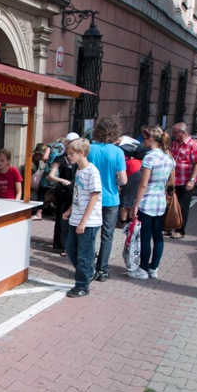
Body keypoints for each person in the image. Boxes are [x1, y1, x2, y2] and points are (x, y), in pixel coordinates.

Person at [128, 126, 176, 280]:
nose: (143, 142)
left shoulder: (149, 158)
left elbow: (143, 184)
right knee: (158, 236)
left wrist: (135, 204)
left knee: (145, 236)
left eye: (145, 138)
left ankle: (142, 269)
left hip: (147, 201)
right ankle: (153, 268)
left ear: (151, 139)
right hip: (160, 201)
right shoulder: (169, 157)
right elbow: (172, 181)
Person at [87, 117, 127, 282]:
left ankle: (88, 269)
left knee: (90, 234)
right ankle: (102, 269)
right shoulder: (117, 152)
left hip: (91, 198)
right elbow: (124, 180)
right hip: (110, 198)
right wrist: (116, 183)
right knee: (107, 236)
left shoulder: (89, 149)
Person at [61, 138, 101, 297]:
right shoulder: (78, 170)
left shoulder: (92, 172)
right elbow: (78, 195)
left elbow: (94, 197)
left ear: (81, 153)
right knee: (71, 249)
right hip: (76, 217)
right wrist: (70, 210)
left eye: (71, 154)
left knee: (84, 254)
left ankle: (82, 285)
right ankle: (89, 272)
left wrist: (84, 221)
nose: (68, 157)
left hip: (88, 221)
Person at [169, 123, 197, 238]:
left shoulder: (193, 145)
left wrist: (192, 180)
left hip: (185, 181)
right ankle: (168, 226)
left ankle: (180, 230)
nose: (173, 135)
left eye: (175, 132)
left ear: (182, 132)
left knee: (182, 207)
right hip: (173, 180)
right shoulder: (174, 144)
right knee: (170, 205)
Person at [48, 132, 80, 253]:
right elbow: (50, 175)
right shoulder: (60, 159)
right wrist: (61, 180)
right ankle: (61, 245)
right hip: (64, 190)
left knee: (74, 217)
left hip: (75, 189)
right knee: (62, 217)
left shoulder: (78, 159)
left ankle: (71, 243)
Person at [119, 140, 143, 227]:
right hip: (138, 178)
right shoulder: (140, 162)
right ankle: (130, 220)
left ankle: (123, 222)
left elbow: (121, 176)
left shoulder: (129, 162)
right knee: (132, 201)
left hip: (131, 179)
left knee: (125, 201)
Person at [29, 143, 49, 219]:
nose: (41, 157)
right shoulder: (31, 164)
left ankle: (42, 209)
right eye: (39, 155)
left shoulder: (40, 163)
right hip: (30, 189)